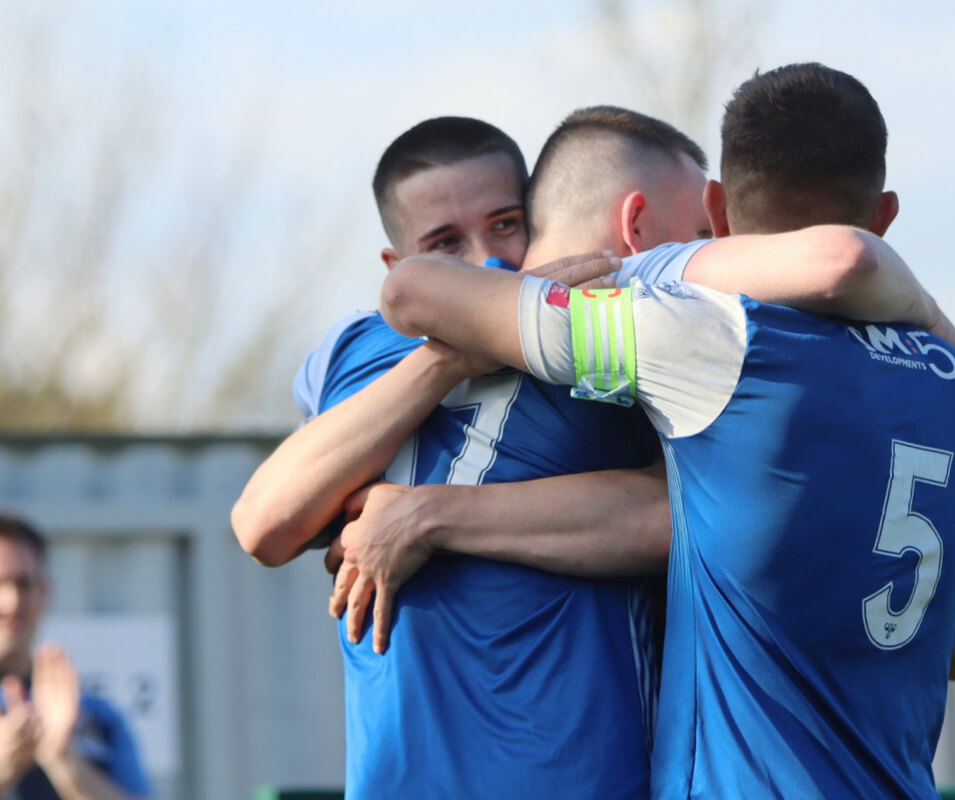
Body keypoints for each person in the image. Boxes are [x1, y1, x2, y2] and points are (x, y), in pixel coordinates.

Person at [377, 63, 955, 798]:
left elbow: (415, 291)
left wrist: (657, 262)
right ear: (886, 213)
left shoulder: (714, 345)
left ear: (718, 204)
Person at [233, 111, 711, 799]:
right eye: (446, 242)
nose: (486, 260)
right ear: (401, 267)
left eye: (505, 225)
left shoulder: (595, 338)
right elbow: (262, 524)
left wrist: (430, 515)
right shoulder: (355, 356)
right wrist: (450, 358)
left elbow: (680, 513)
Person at [0, 513, 152, 800]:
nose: (11, 602)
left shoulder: (96, 718)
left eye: (23, 584)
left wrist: (64, 758)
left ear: (43, 593)